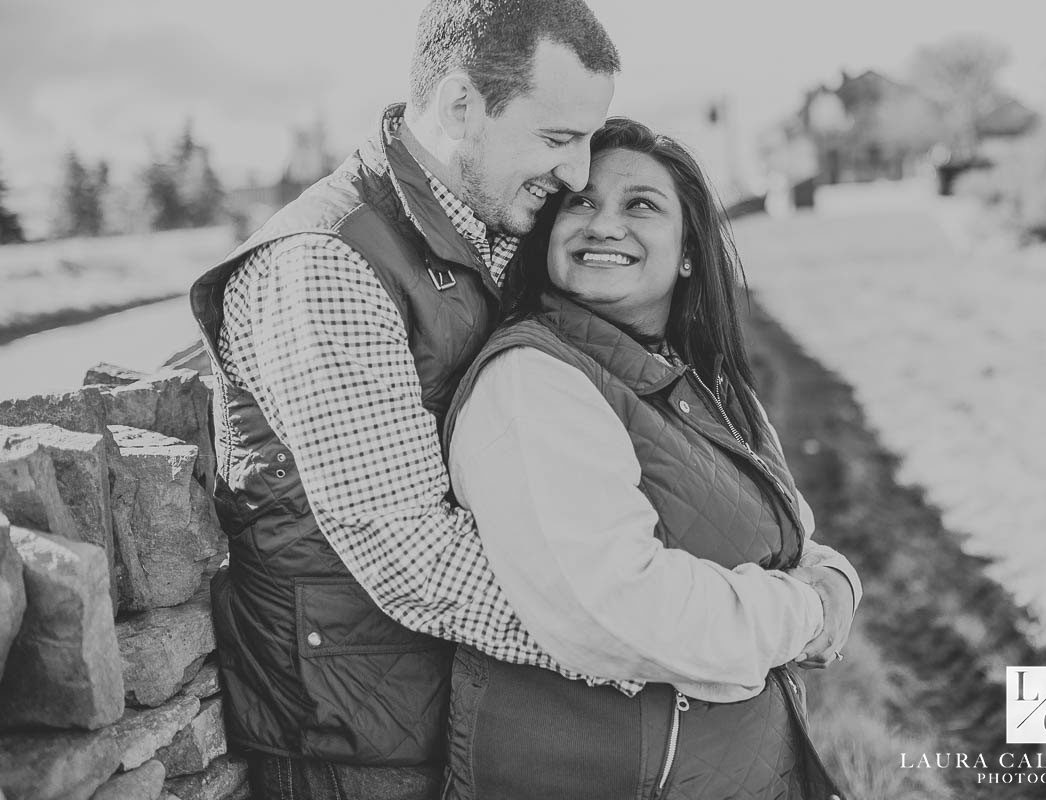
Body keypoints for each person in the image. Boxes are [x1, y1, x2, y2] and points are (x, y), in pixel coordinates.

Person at [188, 2, 622, 798]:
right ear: (461, 105)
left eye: (590, 137)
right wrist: (643, 636)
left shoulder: (500, 225)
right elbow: (411, 556)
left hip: (464, 712)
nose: (580, 173)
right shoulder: (327, 263)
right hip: (361, 745)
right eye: (558, 138)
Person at [441, 117, 862, 799]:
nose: (603, 224)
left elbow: (792, 538)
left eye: (640, 204)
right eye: (580, 202)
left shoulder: (710, 383)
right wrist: (808, 615)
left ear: (690, 252)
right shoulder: (534, 380)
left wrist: (839, 582)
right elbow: (621, 609)